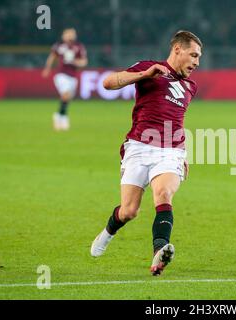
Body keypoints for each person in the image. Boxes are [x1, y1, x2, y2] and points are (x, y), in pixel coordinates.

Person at [90, 30, 202, 276]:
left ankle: (159, 253)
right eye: (193, 55)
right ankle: (108, 232)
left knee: (163, 194)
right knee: (129, 211)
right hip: (139, 147)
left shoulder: (190, 86)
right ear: (177, 50)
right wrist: (144, 74)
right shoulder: (149, 67)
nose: (196, 62)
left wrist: (183, 152)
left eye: (199, 58)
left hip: (170, 151)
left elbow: (177, 120)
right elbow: (108, 83)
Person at [42, 28, 88, 131]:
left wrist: (76, 62)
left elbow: (84, 61)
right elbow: (52, 57)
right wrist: (47, 69)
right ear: (64, 35)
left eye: (72, 34)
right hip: (61, 75)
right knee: (65, 94)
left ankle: (59, 115)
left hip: (73, 76)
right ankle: (62, 117)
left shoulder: (79, 47)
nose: (70, 35)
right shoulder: (59, 46)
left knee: (67, 98)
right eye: (68, 34)